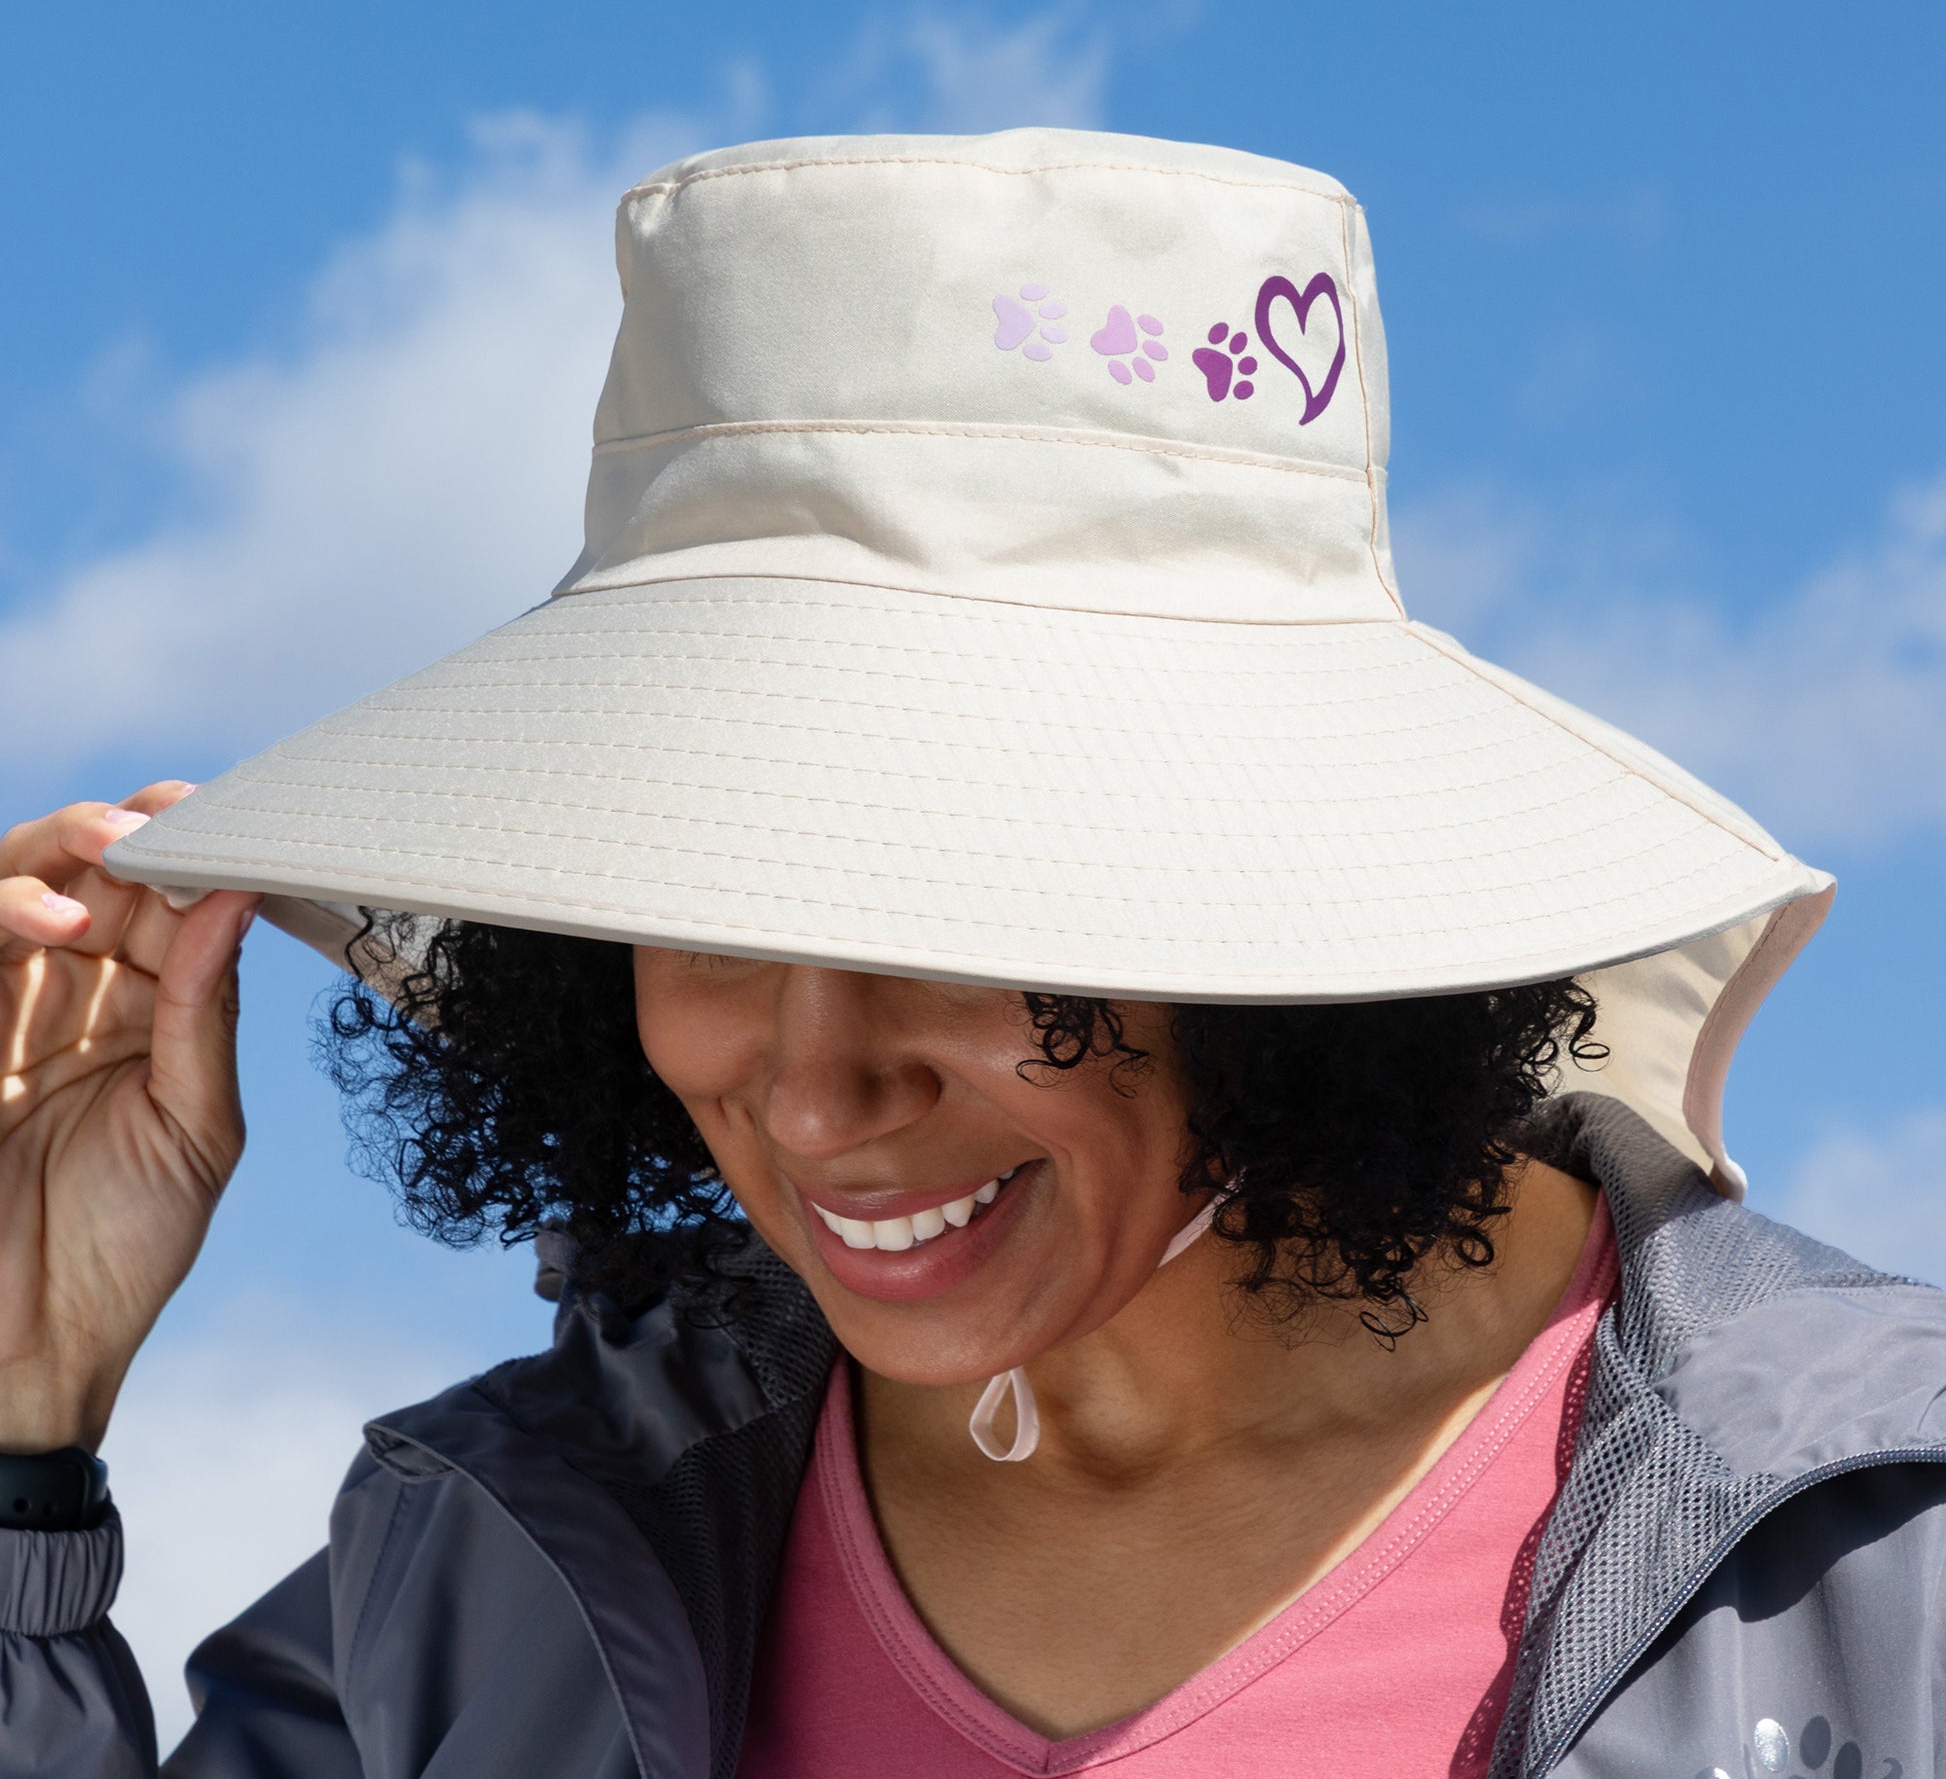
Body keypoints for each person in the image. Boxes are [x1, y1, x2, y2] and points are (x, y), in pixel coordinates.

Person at [2, 128, 1941, 1779]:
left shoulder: (1886, 1562)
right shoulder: (485, 1571)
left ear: (1263, 898)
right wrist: (21, 1425)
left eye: (951, 910)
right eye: (708, 902)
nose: (821, 1077)